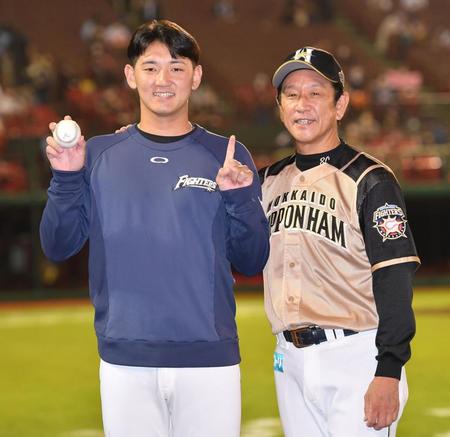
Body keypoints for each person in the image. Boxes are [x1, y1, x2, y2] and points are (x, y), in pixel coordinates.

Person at [40, 20, 269, 437]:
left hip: (209, 360)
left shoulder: (227, 155)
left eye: (177, 67)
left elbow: (253, 260)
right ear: (130, 76)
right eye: (150, 67)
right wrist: (67, 177)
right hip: (125, 360)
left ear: (196, 76)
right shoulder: (98, 154)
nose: (163, 79)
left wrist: (238, 197)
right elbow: (57, 246)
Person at [259, 46, 420, 436]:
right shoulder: (266, 181)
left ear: (340, 104)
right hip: (289, 358)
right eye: (292, 94)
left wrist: (389, 370)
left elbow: (394, 278)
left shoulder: (370, 179)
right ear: (280, 105)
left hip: (356, 357)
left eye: (316, 92)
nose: (302, 104)